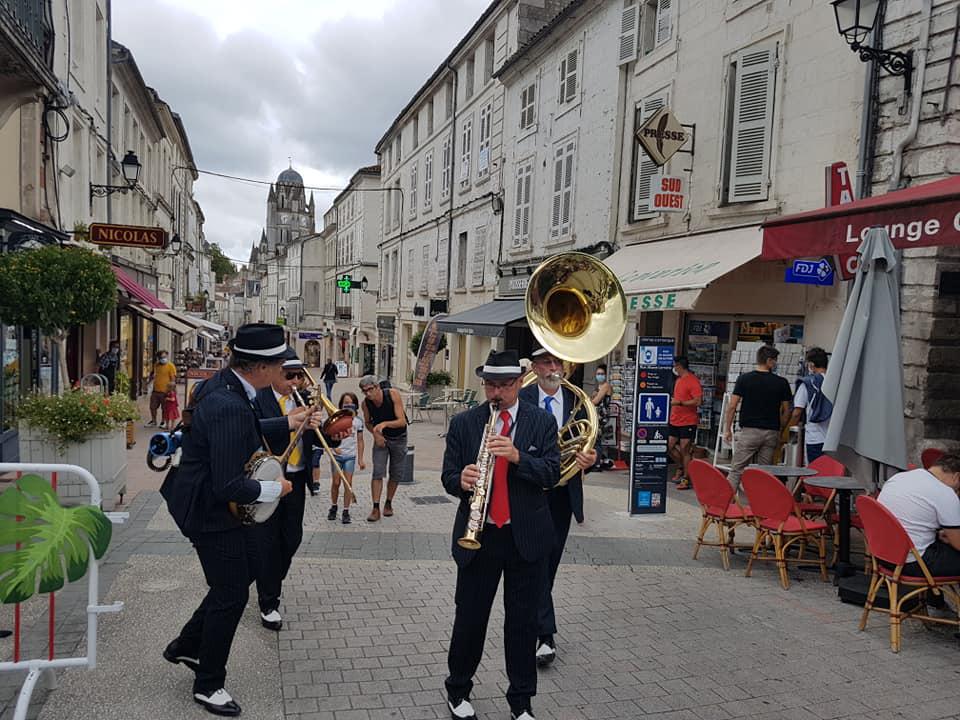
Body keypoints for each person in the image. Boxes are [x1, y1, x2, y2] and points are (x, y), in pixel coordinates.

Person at [160, 324, 321, 717]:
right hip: (208, 511)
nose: (283, 369)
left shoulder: (225, 386)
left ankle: (186, 644)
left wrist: (287, 421)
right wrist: (275, 490)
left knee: (243, 571)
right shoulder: (231, 403)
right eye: (280, 363)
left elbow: (238, 429)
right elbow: (229, 484)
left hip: (197, 499)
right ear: (262, 368)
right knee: (232, 592)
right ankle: (208, 682)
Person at [442, 350, 559, 720]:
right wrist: (459, 480)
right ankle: (458, 690)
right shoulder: (464, 423)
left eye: (504, 385)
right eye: (490, 385)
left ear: (518, 383)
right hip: (480, 536)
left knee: (522, 625)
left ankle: (521, 702)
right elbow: (447, 476)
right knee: (470, 619)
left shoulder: (540, 422)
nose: (497, 393)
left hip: (525, 538)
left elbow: (552, 474)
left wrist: (518, 458)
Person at [518, 345, 595, 668]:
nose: (554, 368)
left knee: (548, 564)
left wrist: (590, 459)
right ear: (534, 368)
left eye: (557, 362)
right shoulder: (521, 400)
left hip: (563, 495)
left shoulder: (579, 403)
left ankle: (533, 626)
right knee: (536, 562)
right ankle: (545, 636)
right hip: (530, 491)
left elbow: (591, 442)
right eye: (546, 363)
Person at [253, 352, 341, 633]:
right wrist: (289, 421)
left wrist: (332, 432)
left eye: (299, 375)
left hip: (297, 480)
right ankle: (269, 602)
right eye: (288, 375)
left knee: (292, 538)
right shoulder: (258, 398)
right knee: (268, 541)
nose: (295, 381)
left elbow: (316, 437)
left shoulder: (304, 398)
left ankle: (269, 579)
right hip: (269, 480)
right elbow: (252, 429)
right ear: (274, 374)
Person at [723, 345, 793, 491]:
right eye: (775, 360)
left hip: (749, 432)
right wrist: (780, 428)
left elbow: (732, 406)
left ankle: (724, 504)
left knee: (736, 470)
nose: (776, 363)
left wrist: (727, 428)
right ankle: (760, 506)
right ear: (769, 361)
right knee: (764, 472)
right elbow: (787, 410)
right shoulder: (782, 382)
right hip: (771, 432)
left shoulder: (744, 379)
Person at [878, 454, 960, 577]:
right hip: (912, 562)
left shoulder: (898, 478)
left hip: (883, 556)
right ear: (957, 476)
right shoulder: (944, 492)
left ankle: (934, 596)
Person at [359, 374, 408, 522]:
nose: (368, 394)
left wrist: (384, 424)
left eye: (370, 389)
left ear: (377, 387)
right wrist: (375, 434)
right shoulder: (366, 404)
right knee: (378, 472)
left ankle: (388, 502)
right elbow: (368, 422)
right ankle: (375, 507)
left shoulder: (392, 395)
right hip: (381, 440)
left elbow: (402, 421)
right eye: (364, 391)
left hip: (399, 438)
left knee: (396, 473)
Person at [788, 347, 832, 464]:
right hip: (834, 440)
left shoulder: (808, 383)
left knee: (814, 473)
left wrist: (789, 430)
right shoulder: (835, 382)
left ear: (811, 365)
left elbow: (797, 412)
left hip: (814, 437)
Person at [327, 392, 365, 525]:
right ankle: (333, 505)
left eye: (351, 404)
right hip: (337, 456)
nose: (348, 406)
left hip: (350, 456)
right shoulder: (336, 419)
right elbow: (329, 438)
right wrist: (333, 448)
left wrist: (360, 459)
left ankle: (346, 510)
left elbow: (360, 441)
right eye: (345, 404)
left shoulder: (358, 422)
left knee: (348, 484)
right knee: (336, 482)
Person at [668, 357, 703, 490]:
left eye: (675, 366)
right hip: (675, 419)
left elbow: (698, 401)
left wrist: (681, 403)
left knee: (685, 449)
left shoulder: (693, 381)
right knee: (668, 446)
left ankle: (686, 479)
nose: (674, 369)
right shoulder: (678, 380)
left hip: (688, 421)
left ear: (679, 366)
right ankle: (682, 467)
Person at [148, 350, 177, 428]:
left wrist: (172, 391)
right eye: (161, 357)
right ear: (158, 358)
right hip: (155, 390)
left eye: (164, 357)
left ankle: (163, 421)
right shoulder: (156, 365)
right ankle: (153, 421)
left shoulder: (170, 366)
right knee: (152, 406)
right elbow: (154, 375)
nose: (163, 358)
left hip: (165, 391)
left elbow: (173, 379)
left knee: (165, 408)